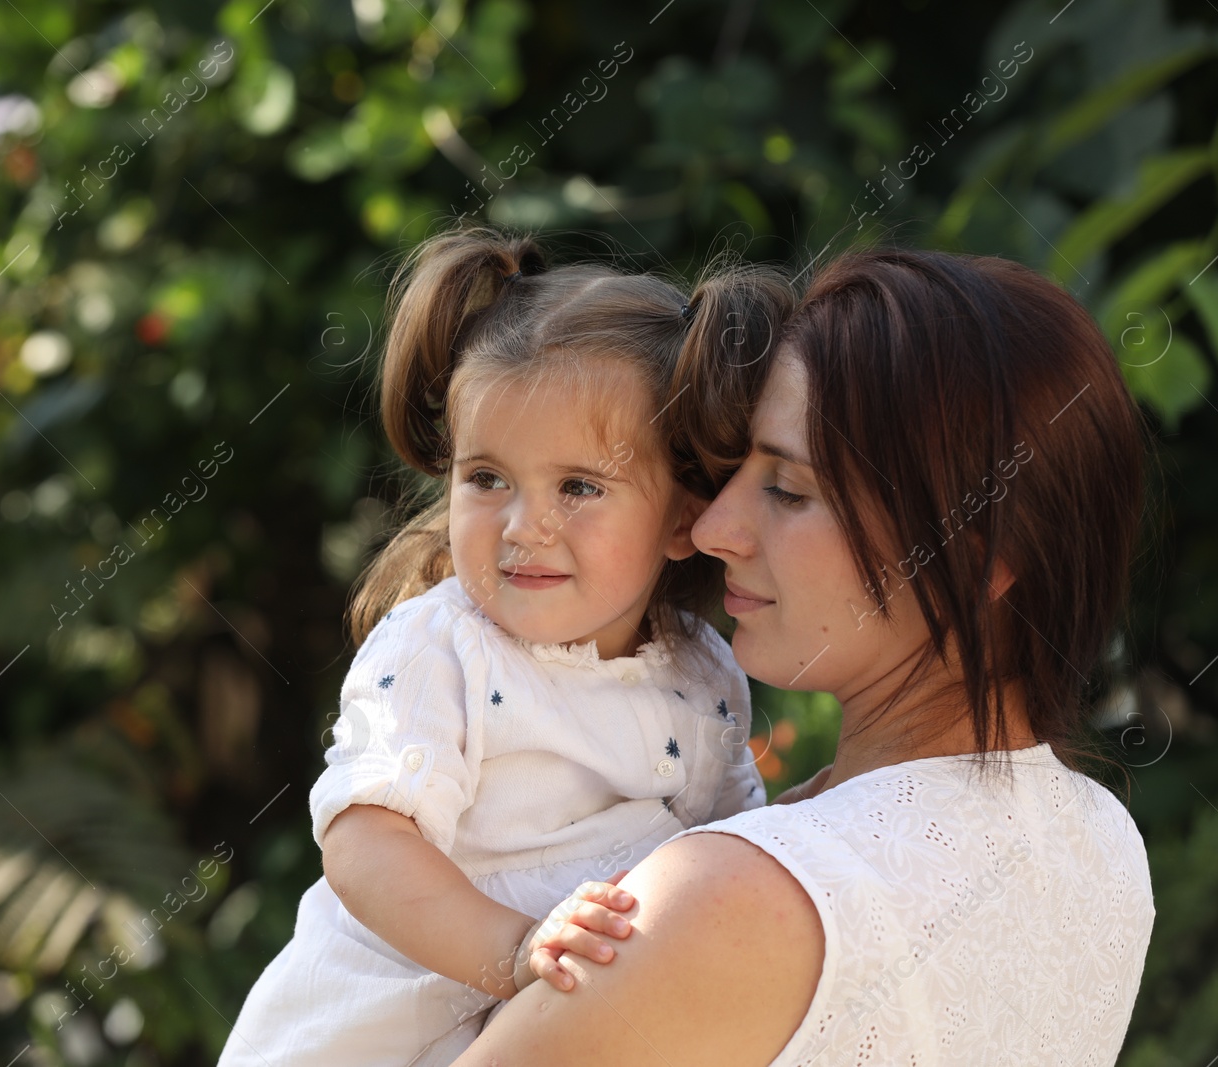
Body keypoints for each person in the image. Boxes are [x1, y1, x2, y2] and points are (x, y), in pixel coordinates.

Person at [453, 248, 1157, 1066]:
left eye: (788, 491)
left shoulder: (729, 897)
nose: (714, 530)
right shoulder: (1103, 850)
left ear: (976, 560)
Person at [217, 228, 796, 1067]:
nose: (524, 526)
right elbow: (364, 842)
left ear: (681, 517)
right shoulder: (440, 647)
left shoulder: (703, 671)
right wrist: (515, 949)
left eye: (579, 487)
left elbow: (735, 846)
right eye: (486, 478)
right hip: (367, 1038)